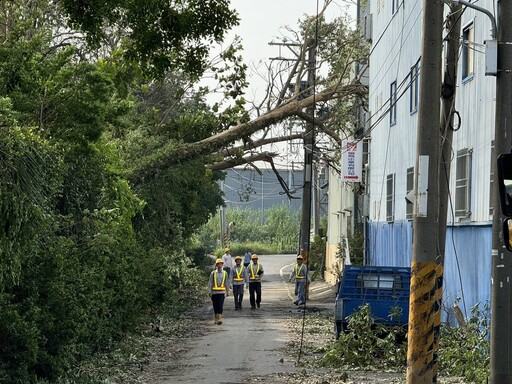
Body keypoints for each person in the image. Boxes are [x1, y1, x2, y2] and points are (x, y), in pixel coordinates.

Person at [208, 258, 230, 325]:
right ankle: (216, 318)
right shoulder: (213, 273)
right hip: (214, 292)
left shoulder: (225, 273)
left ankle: (220, 318)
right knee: (215, 306)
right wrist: (209, 291)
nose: (219, 265)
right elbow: (210, 283)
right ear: (216, 265)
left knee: (220, 305)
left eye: (221, 264)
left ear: (222, 265)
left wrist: (228, 291)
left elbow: (226, 282)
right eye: (218, 264)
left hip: (221, 292)